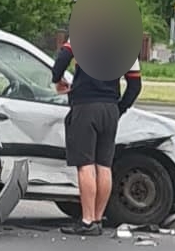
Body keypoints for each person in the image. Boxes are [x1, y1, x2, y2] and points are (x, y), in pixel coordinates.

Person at [49, 34, 142, 234]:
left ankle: (87, 220)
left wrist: (58, 79)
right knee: (104, 165)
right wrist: (119, 109)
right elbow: (135, 85)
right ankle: (98, 219)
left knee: (86, 165)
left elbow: (61, 61)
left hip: (85, 105)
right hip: (110, 109)